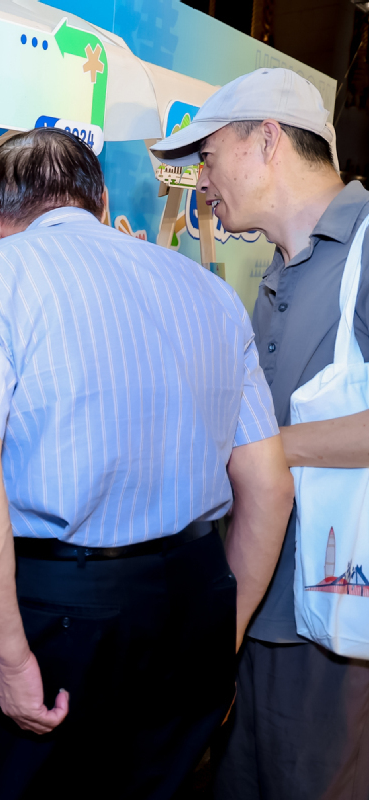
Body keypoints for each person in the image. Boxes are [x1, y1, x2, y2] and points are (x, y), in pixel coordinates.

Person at [0, 127, 296, 798]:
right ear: (99, 198)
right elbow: (269, 486)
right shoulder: (209, 292)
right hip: (194, 593)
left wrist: (13, 658)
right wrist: (219, 635)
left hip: (62, 610)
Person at [152, 67, 369, 799]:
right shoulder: (276, 273)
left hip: (336, 634)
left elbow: (272, 447)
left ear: (265, 140)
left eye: (208, 157)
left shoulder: (366, 249)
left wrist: (272, 450)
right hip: (260, 618)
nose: (202, 181)